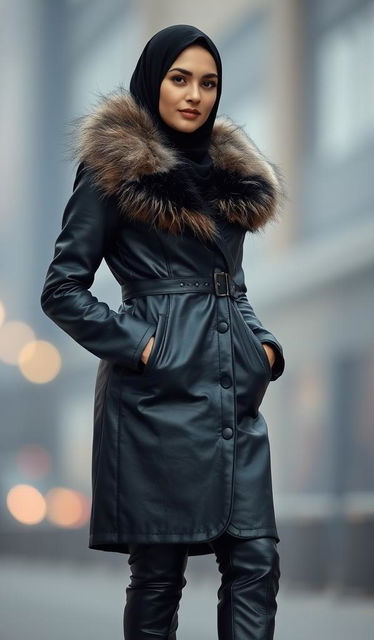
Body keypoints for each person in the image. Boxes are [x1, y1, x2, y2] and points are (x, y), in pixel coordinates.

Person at [41, 24, 286, 639]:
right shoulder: (111, 171)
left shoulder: (227, 177)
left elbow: (232, 284)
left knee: (256, 560)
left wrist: (264, 348)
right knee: (160, 573)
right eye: (180, 79)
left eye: (208, 83)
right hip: (155, 402)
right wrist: (145, 343)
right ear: (154, 82)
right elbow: (62, 290)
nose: (194, 95)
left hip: (234, 394)